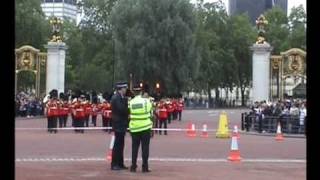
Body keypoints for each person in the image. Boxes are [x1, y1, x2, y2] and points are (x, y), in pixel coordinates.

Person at [128, 84, 153, 173]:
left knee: (134, 148)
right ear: (141, 92)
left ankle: (133, 166)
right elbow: (151, 111)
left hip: (134, 127)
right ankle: (145, 167)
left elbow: (129, 112)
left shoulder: (130, 102)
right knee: (145, 148)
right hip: (145, 127)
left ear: (134, 92)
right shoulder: (146, 101)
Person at [110, 82, 129, 170]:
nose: (126, 90)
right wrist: (127, 107)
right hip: (118, 123)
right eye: (125, 88)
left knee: (121, 144)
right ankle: (114, 164)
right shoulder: (117, 98)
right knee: (117, 145)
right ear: (121, 89)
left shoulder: (120, 97)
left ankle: (120, 163)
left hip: (121, 123)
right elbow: (121, 109)